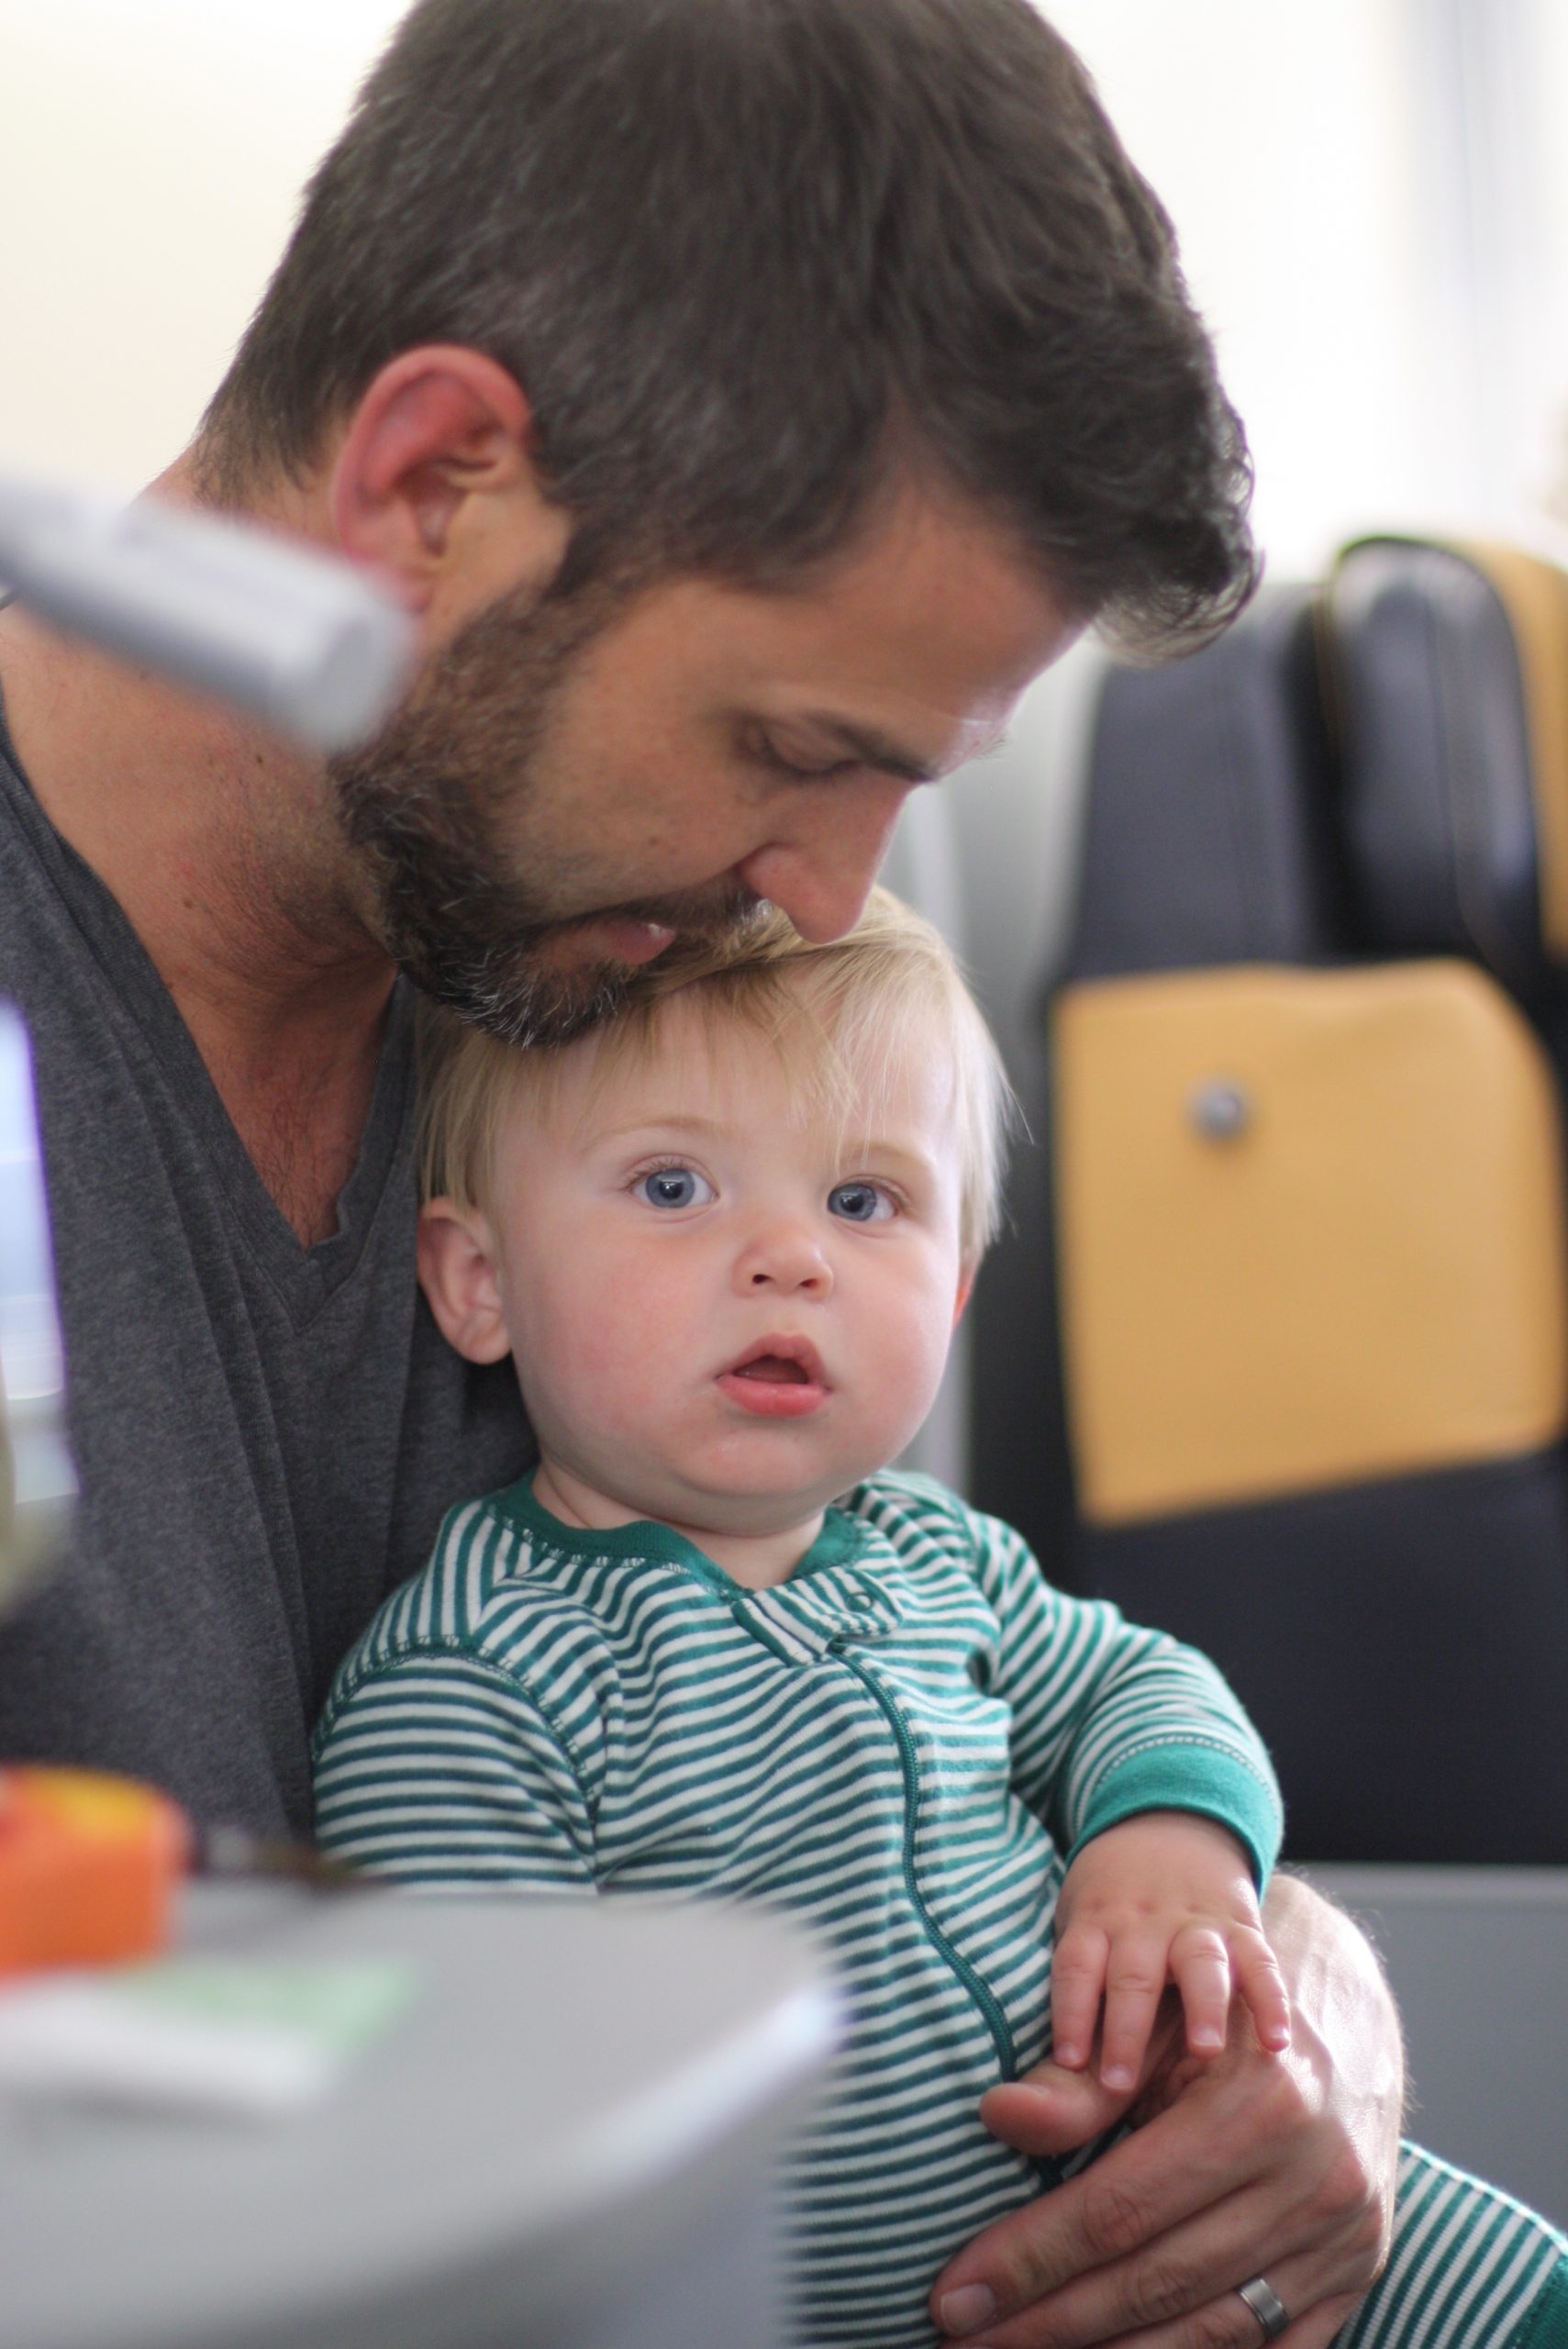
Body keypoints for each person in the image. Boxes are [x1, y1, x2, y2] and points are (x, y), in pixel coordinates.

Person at [0, 0, 1419, 2341]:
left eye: (903, 784)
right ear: (435, 485)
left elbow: (954, 1704)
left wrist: (1300, 2003)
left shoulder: (658, 982)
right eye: (790, 747)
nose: (837, 895)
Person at [312, 894, 1568, 2349]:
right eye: (671, 1185)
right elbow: (469, 2146)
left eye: (863, 1204)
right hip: (806, 2313)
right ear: (480, 1285)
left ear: (954, 1292)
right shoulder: (477, 1675)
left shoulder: (937, 1556)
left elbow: (1139, 1686)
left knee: (1516, 2289)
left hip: (1177, 2196)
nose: (789, 1256)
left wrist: (1170, 1844)